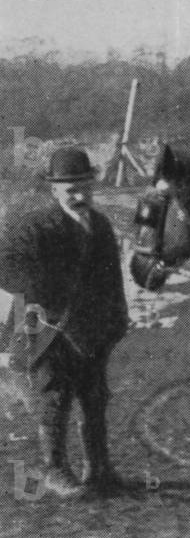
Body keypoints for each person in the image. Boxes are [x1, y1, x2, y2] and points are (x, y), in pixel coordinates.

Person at [0, 147, 129, 497]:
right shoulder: (35, 226)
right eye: (71, 189)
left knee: (95, 396)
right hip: (48, 329)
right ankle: (55, 470)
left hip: (92, 331)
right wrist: (47, 295)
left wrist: (119, 317)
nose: (80, 195)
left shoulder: (100, 225)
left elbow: (111, 277)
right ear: (54, 190)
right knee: (54, 397)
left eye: (85, 186)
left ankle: (99, 470)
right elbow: (7, 265)